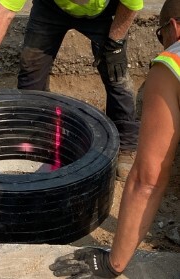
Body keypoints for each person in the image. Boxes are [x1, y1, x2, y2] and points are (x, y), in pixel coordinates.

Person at [49, 0, 180, 277]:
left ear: (174, 27)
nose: (162, 45)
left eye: (161, 36)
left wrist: (112, 264)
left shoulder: (173, 62)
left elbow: (148, 179)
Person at [0, 0, 144, 181]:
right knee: (31, 68)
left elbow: (131, 6)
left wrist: (115, 42)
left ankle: (126, 145)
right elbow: (4, 10)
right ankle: (33, 131)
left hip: (104, 15)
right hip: (50, 8)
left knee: (116, 74)